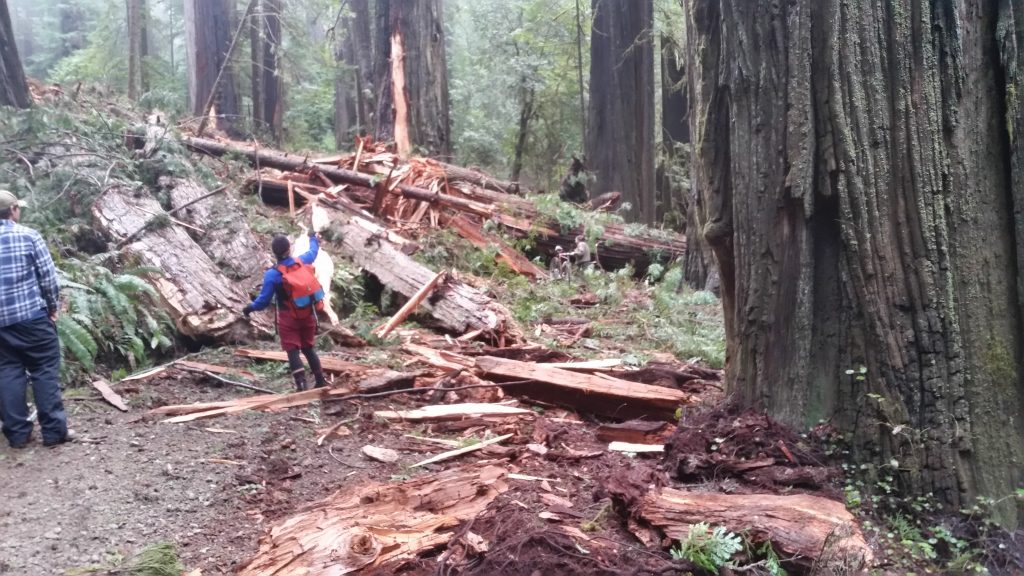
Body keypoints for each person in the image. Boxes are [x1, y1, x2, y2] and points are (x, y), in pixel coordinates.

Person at [0, 189, 72, 449]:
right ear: (13, 210)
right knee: (44, 370)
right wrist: (52, 307)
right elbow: (48, 278)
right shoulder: (29, 236)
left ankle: (18, 436)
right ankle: (54, 433)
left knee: (7, 372)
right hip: (31, 318)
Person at [243, 230, 328, 391]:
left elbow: (263, 301)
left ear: (274, 253)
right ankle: (320, 381)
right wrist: (312, 238)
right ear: (289, 249)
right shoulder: (302, 261)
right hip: (307, 314)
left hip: (288, 318)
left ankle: (301, 386)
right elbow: (313, 252)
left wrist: (249, 308)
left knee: (292, 350)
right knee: (308, 348)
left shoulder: (273, 274)